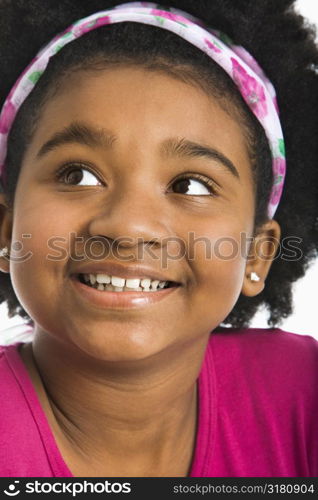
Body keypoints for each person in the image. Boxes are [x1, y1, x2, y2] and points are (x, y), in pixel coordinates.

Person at [0, 0, 317, 478]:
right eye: (78, 174)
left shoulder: (302, 390)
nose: (129, 226)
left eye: (191, 185)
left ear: (257, 253)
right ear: (6, 231)